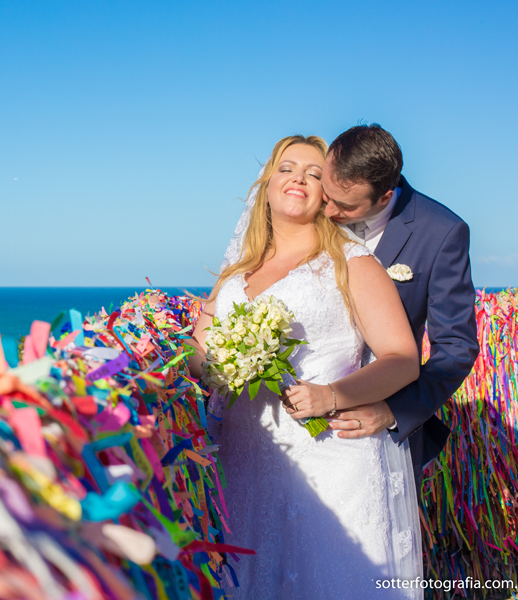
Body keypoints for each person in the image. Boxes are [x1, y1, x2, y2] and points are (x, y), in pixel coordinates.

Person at [186, 135, 423, 598]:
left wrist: (331, 395)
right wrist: (213, 367)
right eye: (286, 168)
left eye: (314, 174)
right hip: (243, 458)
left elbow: (403, 359)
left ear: (327, 196)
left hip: (330, 457)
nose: (298, 178)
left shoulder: (350, 263)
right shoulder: (237, 272)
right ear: (267, 184)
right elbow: (199, 349)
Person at [316, 124, 479, 499]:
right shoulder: (315, 209)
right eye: (327, 194)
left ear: (385, 195)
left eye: (344, 205)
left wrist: (392, 411)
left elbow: (456, 347)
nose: (327, 210)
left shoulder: (441, 232)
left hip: (378, 429)